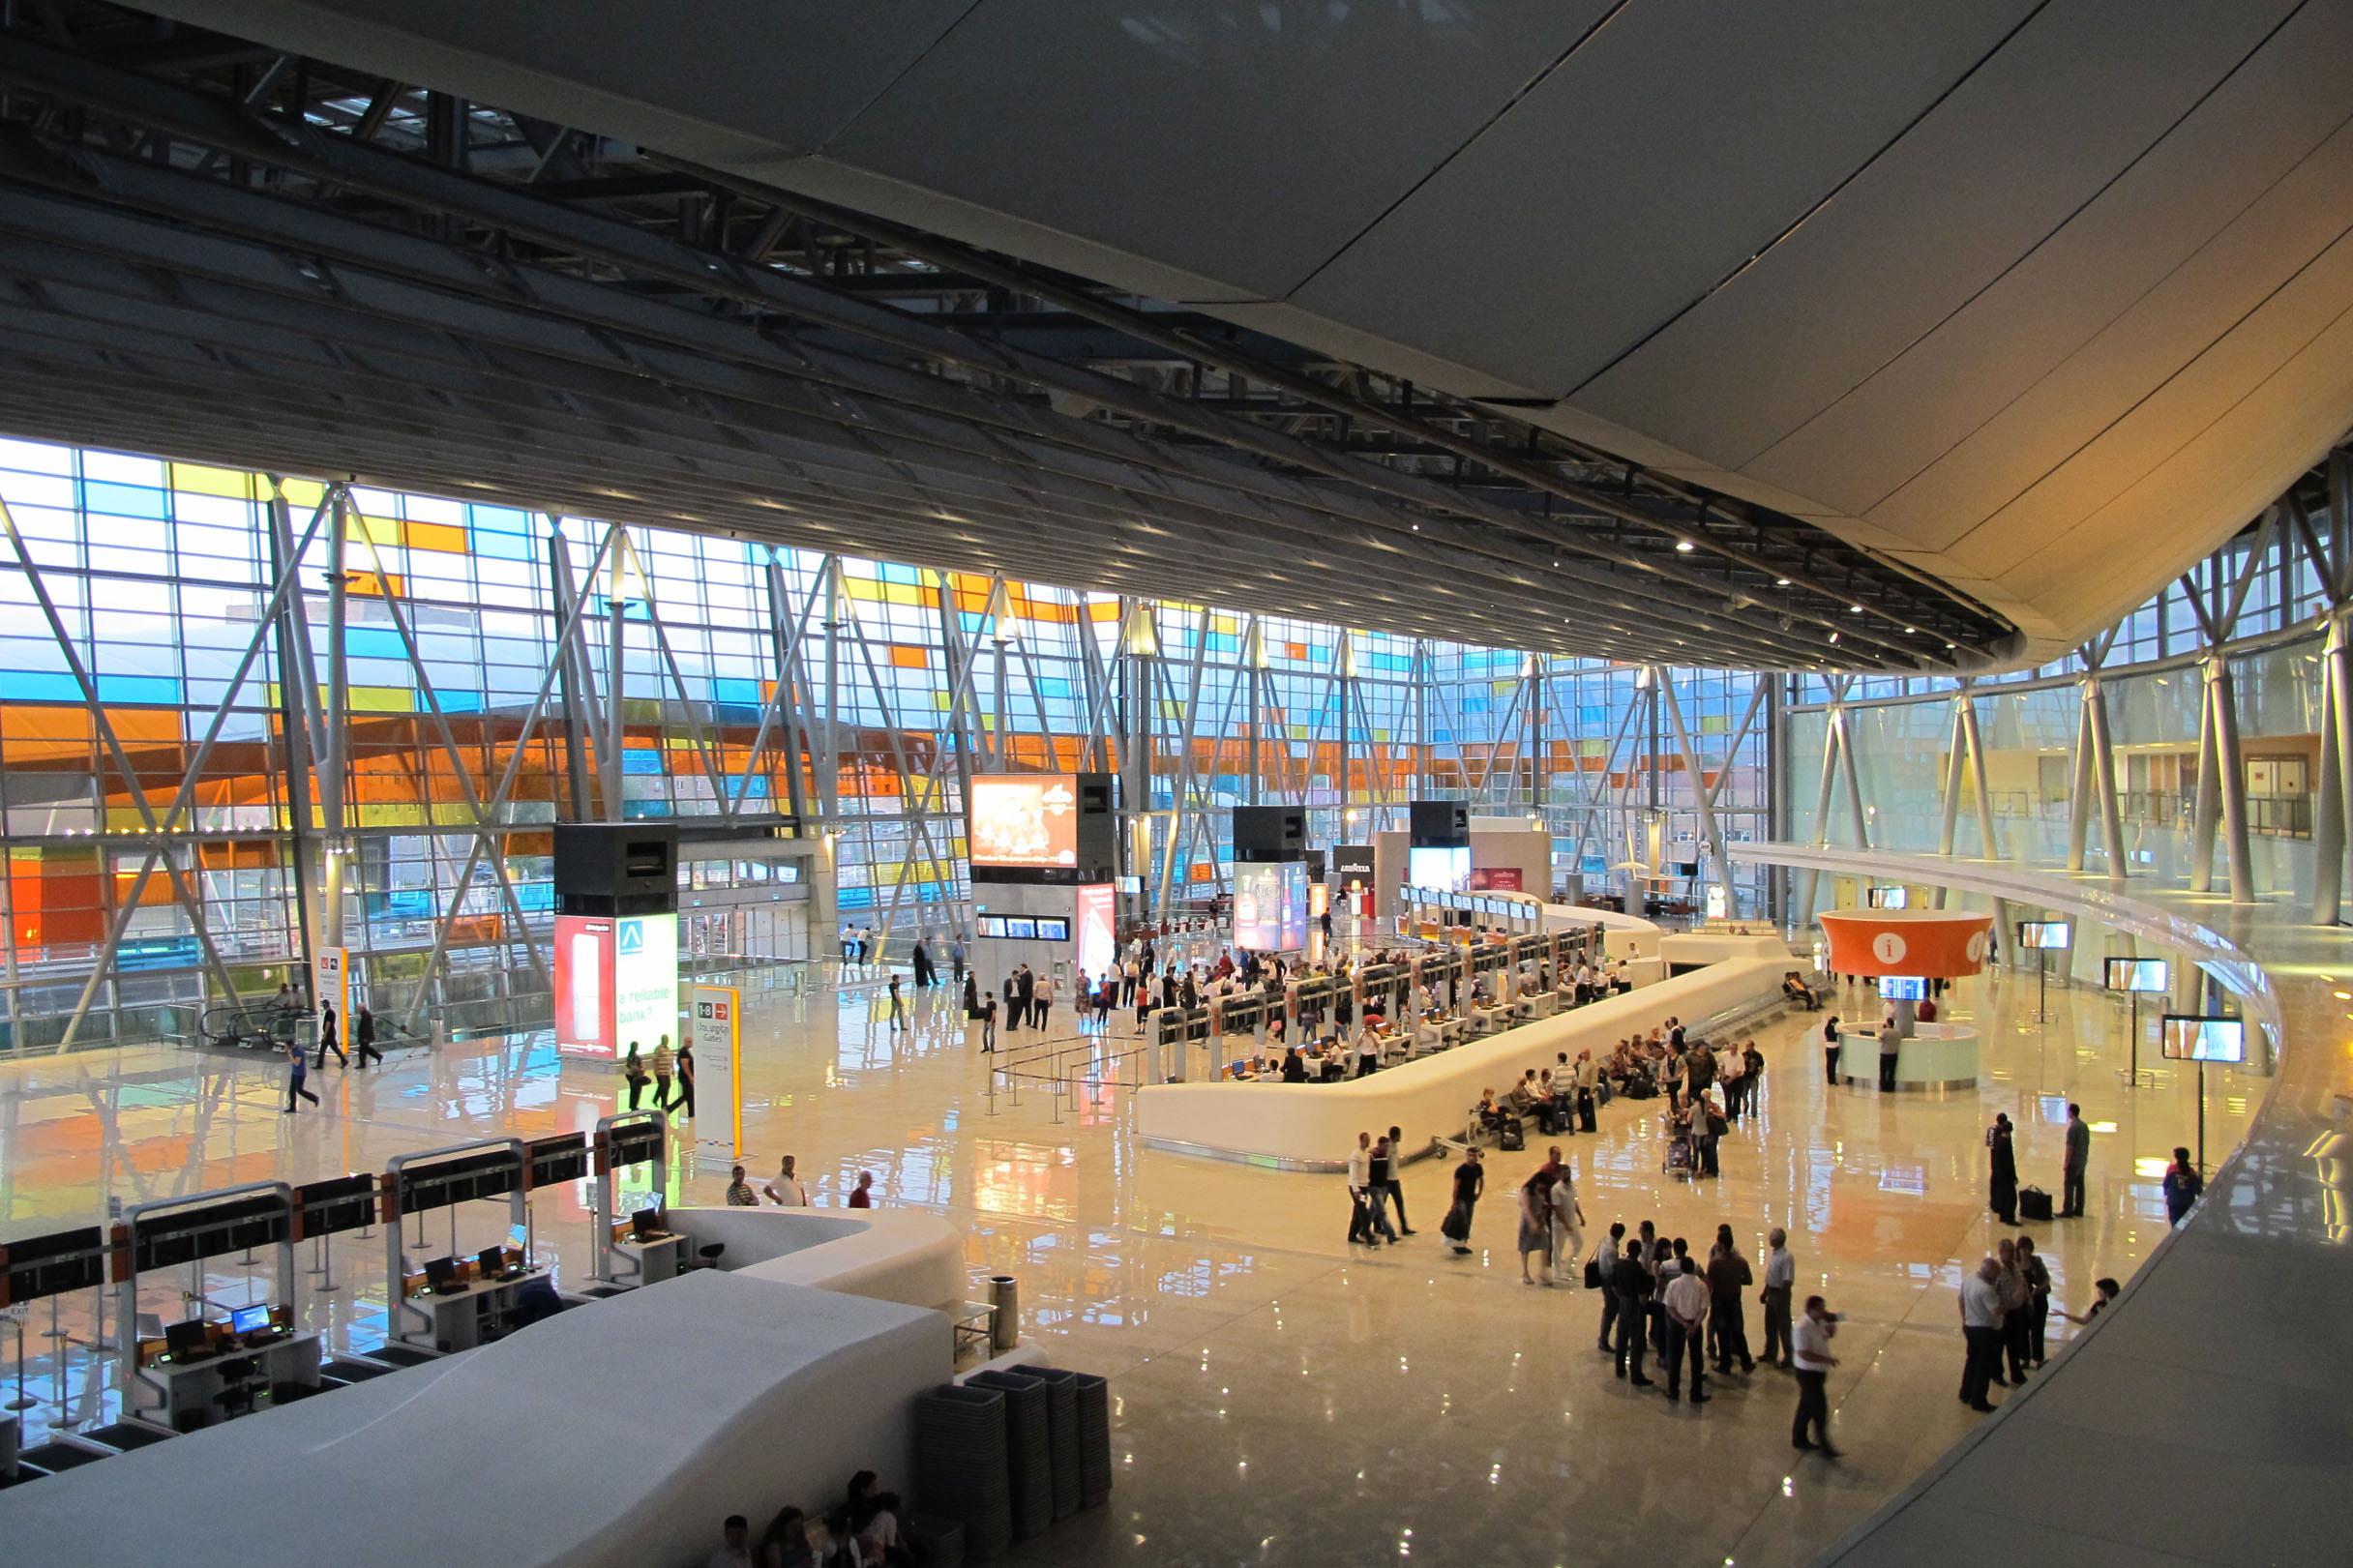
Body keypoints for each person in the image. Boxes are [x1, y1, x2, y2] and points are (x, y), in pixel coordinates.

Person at [1791, 1294, 1841, 1457]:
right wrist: (1827, 1359)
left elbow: (1830, 1334)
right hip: (1807, 1373)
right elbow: (1803, 1353)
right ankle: (1825, 1445)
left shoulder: (1819, 1322)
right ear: (1810, 1309)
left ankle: (1799, 1438)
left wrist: (1831, 1320)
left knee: (1806, 1406)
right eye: (1820, 1309)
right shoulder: (1801, 1327)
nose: (1823, 1311)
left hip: (1818, 1372)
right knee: (1819, 1408)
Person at [1662, 1256, 1711, 1405]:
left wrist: (1683, 1323)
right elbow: (1704, 1309)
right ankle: (1696, 1393)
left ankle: (1673, 1391)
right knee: (1696, 1359)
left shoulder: (1673, 1284)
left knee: (1675, 1358)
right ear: (1694, 1268)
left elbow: (1670, 1308)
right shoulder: (1702, 1286)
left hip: (1678, 1325)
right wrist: (1694, 1325)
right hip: (1695, 1324)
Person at [1959, 1256, 2004, 1411]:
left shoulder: (1969, 1280)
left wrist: (1964, 1319)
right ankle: (1979, 1400)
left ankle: (1966, 1392)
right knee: (1984, 1366)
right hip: (1985, 1330)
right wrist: (2011, 1303)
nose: (1998, 1278)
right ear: (1990, 1274)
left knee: (1972, 1360)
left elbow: (1960, 1300)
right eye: (1996, 1274)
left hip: (1971, 1327)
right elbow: (1996, 1311)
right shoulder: (1986, 1289)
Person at [1708, 1230, 1755, 1374]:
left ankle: (1725, 1364)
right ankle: (1746, 1362)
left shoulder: (1715, 1262)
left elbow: (1710, 1283)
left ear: (1720, 1244)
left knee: (1722, 1332)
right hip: (1735, 1299)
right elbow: (1748, 1281)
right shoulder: (1741, 1261)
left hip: (1719, 1300)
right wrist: (1735, 1280)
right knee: (1738, 1331)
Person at [1611, 1238, 1653, 1385]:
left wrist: (1622, 1297)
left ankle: (1619, 1367)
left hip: (1623, 1303)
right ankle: (1636, 1374)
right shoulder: (1639, 1270)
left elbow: (1614, 1287)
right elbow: (1642, 1297)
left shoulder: (1619, 1266)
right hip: (1635, 1306)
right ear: (1639, 1252)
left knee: (1621, 1337)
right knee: (1636, 1341)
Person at [1995, 1237, 2030, 1385]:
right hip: (2004, 1313)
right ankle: (1997, 1375)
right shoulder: (1997, 1270)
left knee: (2014, 1344)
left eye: (2013, 1251)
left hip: (2016, 1311)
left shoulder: (2015, 1266)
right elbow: (1993, 1293)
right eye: (2009, 1251)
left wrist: (2028, 1302)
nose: (2012, 1254)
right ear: (2001, 1252)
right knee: (1999, 1346)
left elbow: (2023, 1284)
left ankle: (2016, 1373)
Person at [1547, 1157, 1585, 1285]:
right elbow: (1557, 1209)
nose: (1567, 1175)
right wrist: (1565, 1224)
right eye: (1565, 1173)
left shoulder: (1572, 1185)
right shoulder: (1556, 1189)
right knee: (1558, 1248)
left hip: (1572, 1220)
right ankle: (1556, 1273)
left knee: (1579, 1244)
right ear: (1559, 1175)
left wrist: (1580, 1216)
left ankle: (1569, 1265)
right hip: (1559, 1224)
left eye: (1569, 1173)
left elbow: (1574, 1201)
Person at [2018, 1234, 2052, 1366]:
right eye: (2023, 1248)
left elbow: (2046, 1278)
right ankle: (2025, 1358)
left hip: (2039, 1300)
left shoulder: (2036, 1261)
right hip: (2023, 1303)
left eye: (2028, 1249)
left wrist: (2040, 1288)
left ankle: (2038, 1359)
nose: (2026, 1252)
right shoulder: (2015, 1264)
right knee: (2022, 1331)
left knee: (2037, 1331)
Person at [1443, 1147, 1483, 1257]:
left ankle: (1462, 1244)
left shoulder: (1478, 1168)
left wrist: (1479, 1193)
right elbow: (1456, 1187)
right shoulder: (1461, 1170)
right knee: (1462, 1220)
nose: (1472, 1158)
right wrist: (1454, 1202)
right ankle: (1458, 1244)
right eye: (1470, 1155)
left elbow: (1481, 1180)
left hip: (1470, 1199)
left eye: (1474, 1156)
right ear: (1466, 1156)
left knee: (1468, 1221)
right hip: (1461, 1199)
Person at [1516, 1168, 1553, 1285]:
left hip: (1539, 1220)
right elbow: (1526, 1209)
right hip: (1528, 1222)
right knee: (1525, 1248)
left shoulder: (1542, 1190)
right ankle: (1525, 1273)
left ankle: (1542, 1272)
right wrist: (1532, 1222)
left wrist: (1544, 1211)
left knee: (1546, 1244)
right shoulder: (1526, 1190)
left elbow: (1542, 1204)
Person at [1382, 1124, 1415, 1236]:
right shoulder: (1389, 1147)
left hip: (1395, 1181)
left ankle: (1404, 1227)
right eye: (1400, 1135)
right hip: (1387, 1182)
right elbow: (1384, 1162)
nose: (1401, 1137)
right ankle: (1377, 1226)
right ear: (1396, 1136)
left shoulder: (1395, 1146)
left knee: (1400, 1204)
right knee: (1381, 1205)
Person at [2060, 1102, 2091, 1217]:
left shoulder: (2073, 1128)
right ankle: (2079, 1209)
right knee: (2080, 1186)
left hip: (2073, 1161)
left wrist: (2066, 1163)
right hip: (2082, 1160)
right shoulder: (2084, 1126)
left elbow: (2070, 1147)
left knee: (2069, 1185)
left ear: (2071, 1113)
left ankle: (2067, 1210)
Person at [1987, 1112, 2019, 1225]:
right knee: (2010, 1196)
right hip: (2005, 1172)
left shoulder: (1993, 1132)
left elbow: (1989, 1145)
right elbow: (2009, 1160)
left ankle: (1996, 1205)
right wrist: (2013, 1175)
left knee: (1997, 1188)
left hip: (1995, 1166)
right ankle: (2008, 1216)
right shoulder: (2005, 1141)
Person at [2054, 1276, 2122, 1326]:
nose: (2098, 1292)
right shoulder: (2098, 1305)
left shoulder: (2120, 1302)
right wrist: (2063, 1314)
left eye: (2100, 1290)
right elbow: (2083, 1321)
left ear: (2106, 1291)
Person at [2163, 1145, 2202, 1226]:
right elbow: (2198, 1189)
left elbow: (2165, 1184)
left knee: (2175, 1224)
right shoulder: (2191, 1172)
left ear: (2176, 1157)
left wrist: (2168, 1193)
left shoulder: (2171, 1169)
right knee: (2185, 1225)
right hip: (2188, 1202)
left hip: (2174, 1202)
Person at [283, 1036, 319, 1112]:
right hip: (294, 1072)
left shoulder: (298, 1051)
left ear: (290, 1046)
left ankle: (314, 1098)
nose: (285, 1048)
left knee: (300, 1090)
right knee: (292, 1090)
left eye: (286, 1046)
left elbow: (296, 1063)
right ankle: (292, 1108)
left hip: (300, 1074)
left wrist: (289, 1054)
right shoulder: (293, 1048)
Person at [314, 999, 345, 1069]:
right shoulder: (331, 1012)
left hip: (329, 1034)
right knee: (333, 1048)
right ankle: (344, 1060)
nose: (322, 1006)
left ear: (325, 1005)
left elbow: (328, 1024)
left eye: (323, 1005)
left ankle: (320, 1064)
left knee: (323, 1049)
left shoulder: (329, 1013)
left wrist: (325, 1035)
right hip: (331, 1033)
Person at [671, 1040, 698, 1117]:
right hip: (685, 1077)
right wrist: (690, 1076)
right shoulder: (684, 1052)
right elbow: (685, 1065)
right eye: (689, 1042)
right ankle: (670, 1108)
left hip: (685, 1077)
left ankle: (691, 1113)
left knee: (687, 1096)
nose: (691, 1043)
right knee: (688, 1096)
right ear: (685, 1042)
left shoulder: (685, 1051)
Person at [352, 1004, 383, 1069]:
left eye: (358, 1008)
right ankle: (378, 1056)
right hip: (366, 1036)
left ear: (362, 1008)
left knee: (362, 1050)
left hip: (365, 1036)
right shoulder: (365, 1014)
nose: (358, 1010)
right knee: (366, 1049)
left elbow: (366, 1027)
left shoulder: (365, 1015)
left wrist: (365, 1037)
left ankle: (363, 1064)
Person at [1877, 1015, 1901, 1092]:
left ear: (1888, 1024)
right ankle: (1891, 1087)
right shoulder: (1897, 1032)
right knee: (1891, 1071)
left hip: (1885, 1054)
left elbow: (1879, 1040)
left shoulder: (1885, 1031)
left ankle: (1883, 1087)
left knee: (1883, 1071)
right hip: (1894, 1054)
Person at [621, 1041, 647, 1109]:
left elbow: (629, 1065)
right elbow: (635, 1067)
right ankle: (634, 1106)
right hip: (635, 1075)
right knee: (636, 1091)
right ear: (635, 1047)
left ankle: (632, 1105)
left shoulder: (630, 1055)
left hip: (629, 1075)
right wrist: (641, 1070)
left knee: (633, 1091)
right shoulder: (635, 1056)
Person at [651, 1035, 675, 1112]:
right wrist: (655, 1069)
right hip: (660, 1071)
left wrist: (673, 1069)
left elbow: (671, 1060)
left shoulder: (668, 1049)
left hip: (666, 1071)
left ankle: (656, 1099)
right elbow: (655, 1059)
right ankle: (663, 1104)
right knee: (663, 1086)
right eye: (665, 1039)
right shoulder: (658, 1048)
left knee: (667, 1086)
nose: (666, 1041)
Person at [1822, 1015, 1842, 1081]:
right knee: (1833, 1065)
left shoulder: (1826, 1028)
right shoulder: (1836, 1028)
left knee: (1828, 1064)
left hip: (1828, 1048)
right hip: (1834, 1048)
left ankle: (1829, 1079)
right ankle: (1833, 1080)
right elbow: (1844, 1031)